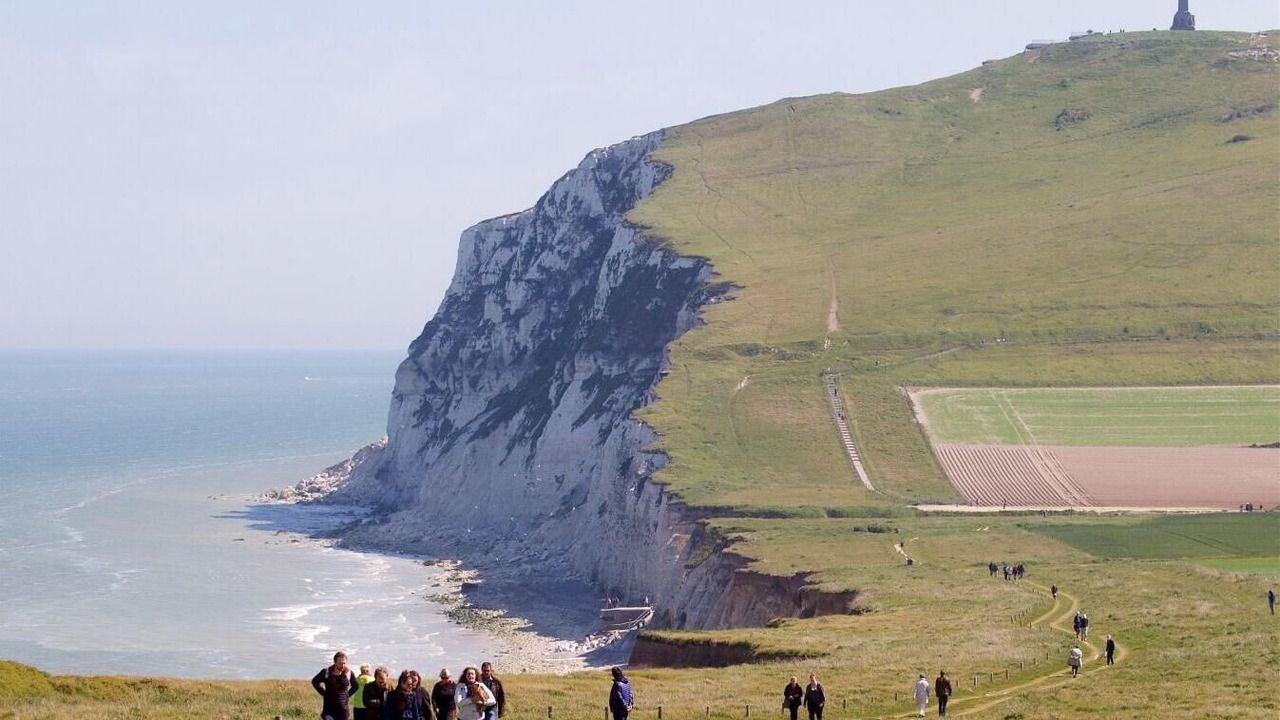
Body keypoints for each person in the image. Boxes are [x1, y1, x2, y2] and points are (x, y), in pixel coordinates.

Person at [313, 651, 360, 720]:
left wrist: (346, 695)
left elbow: (356, 686)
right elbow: (315, 682)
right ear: (335, 662)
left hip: (343, 710)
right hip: (329, 709)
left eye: (344, 663)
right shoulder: (326, 672)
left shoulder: (349, 673)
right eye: (340, 663)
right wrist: (324, 694)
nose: (343, 665)